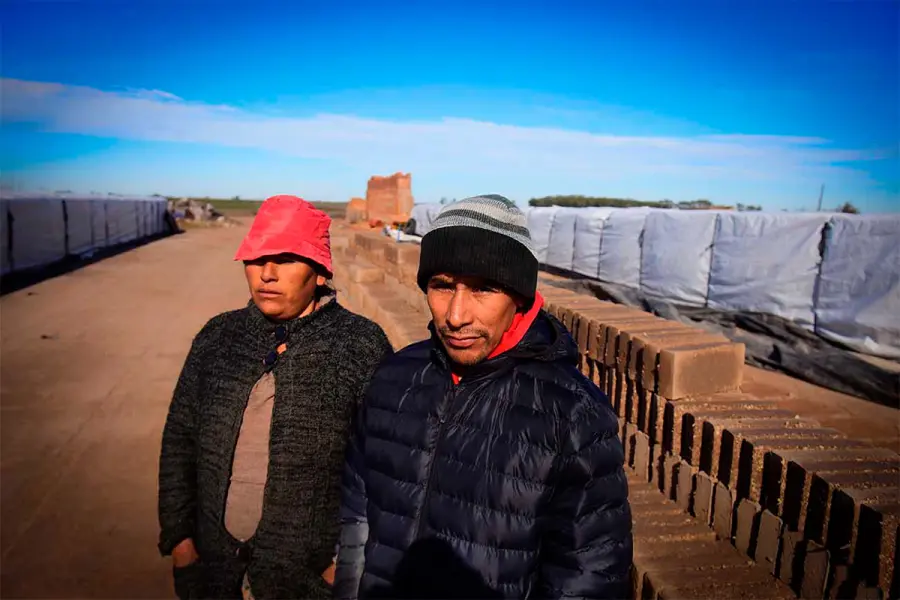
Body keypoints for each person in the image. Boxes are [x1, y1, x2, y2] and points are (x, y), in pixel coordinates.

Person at [336, 195, 633, 599]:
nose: (456, 315)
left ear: (520, 298)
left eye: (483, 289)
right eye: (442, 286)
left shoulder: (573, 414)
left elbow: (589, 575)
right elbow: (357, 504)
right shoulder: (393, 377)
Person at [158, 195, 393, 600]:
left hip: (308, 582)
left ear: (320, 272)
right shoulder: (218, 337)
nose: (266, 273)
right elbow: (179, 439)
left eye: (285, 259)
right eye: (256, 258)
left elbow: (386, 469)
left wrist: (345, 565)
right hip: (211, 574)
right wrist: (181, 542)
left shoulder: (360, 346)